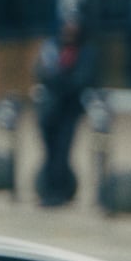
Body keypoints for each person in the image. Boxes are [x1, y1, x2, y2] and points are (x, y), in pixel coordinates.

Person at [32, 15, 96, 207]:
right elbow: (39, 71)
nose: (69, 32)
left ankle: (58, 192)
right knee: (49, 152)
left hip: (68, 111)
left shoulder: (85, 53)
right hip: (48, 111)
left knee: (62, 152)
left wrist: (56, 79)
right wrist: (57, 78)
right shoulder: (51, 49)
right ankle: (48, 189)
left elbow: (80, 81)